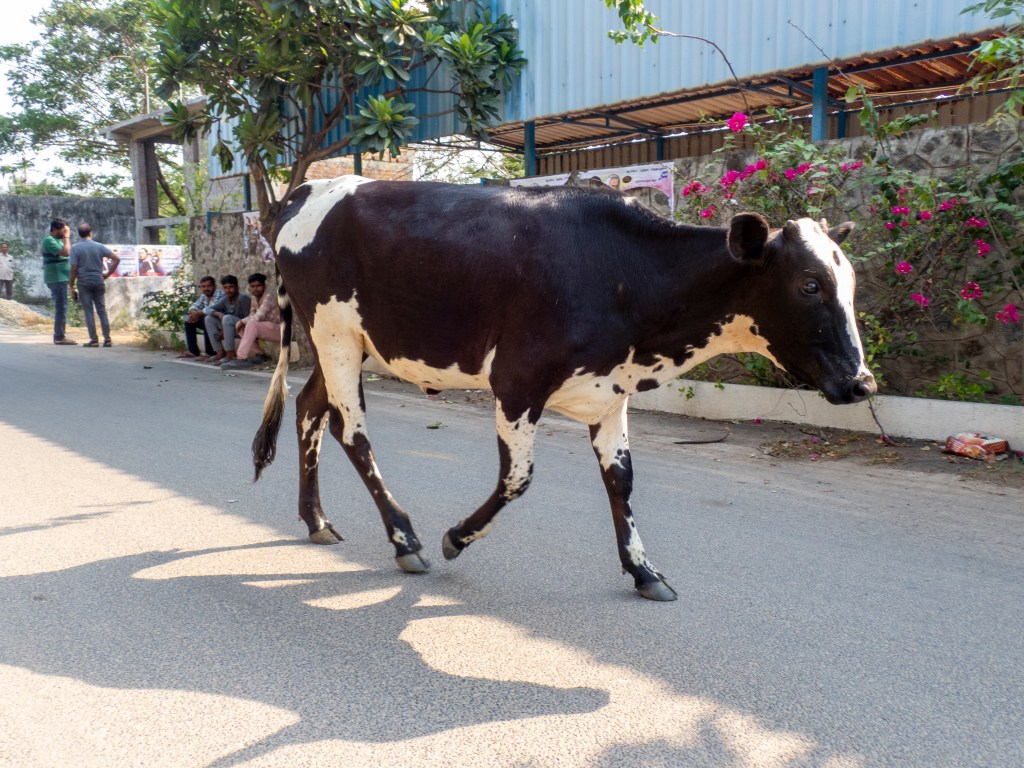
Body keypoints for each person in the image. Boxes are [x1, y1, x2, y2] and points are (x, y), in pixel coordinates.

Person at [69, 222, 120, 348]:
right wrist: (107, 274)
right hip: (98, 280)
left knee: (88, 312)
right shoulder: (99, 246)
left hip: (84, 282)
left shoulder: (75, 248)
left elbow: (74, 268)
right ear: (90, 233)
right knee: (102, 311)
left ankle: (94, 340)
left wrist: (71, 285)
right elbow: (117, 259)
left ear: (79, 234)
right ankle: (107, 339)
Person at [222, 273, 281, 370]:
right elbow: (252, 314)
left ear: (264, 286)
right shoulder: (254, 298)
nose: (255, 289)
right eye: (253, 286)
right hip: (266, 328)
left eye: (258, 286)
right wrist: (241, 322)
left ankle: (241, 358)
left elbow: (258, 316)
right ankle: (260, 354)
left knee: (251, 323)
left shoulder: (269, 296)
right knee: (241, 326)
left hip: (279, 330)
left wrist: (242, 321)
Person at [202, 274, 251, 364]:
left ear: (237, 287)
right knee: (209, 319)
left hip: (244, 329)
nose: (228, 290)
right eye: (225, 288)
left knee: (227, 318)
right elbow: (206, 309)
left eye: (231, 287)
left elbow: (248, 320)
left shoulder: (243, 299)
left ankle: (230, 354)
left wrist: (224, 329)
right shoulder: (226, 299)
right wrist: (216, 313)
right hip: (231, 328)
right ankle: (220, 352)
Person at [42, 218, 76, 345]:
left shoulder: (55, 241)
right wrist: (67, 237)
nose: (65, 232)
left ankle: (60, 335)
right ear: (55, 230)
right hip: (57, 278)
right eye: (63, 230)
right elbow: (66, 252)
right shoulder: (49, 240)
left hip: (60, 277)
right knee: (61, 307)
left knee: (62, 307)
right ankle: (59, 337)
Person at [179, 276, 223, 359]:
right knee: (187, 317)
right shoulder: (204, 296)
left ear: (214, 286)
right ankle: (193, 351)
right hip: (207, 320)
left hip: (219, 323)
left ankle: (210, 352)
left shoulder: (219, 294)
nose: (206, 288)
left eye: (209, 286)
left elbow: (212, 309)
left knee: (206, 318)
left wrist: (198, 313)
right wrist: (192, 313)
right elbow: (195, 305)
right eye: (203, 286)